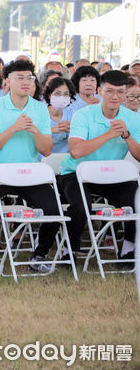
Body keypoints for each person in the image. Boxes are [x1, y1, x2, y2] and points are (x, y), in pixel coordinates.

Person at [0, 59, 58, 275]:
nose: (26, 82)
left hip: (29, 172)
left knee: (54, 211)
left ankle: (39, 255)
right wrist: (14, 128)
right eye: (20, 77)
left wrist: (35, 131)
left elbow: (46, 151)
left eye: (30, 77)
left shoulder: (39, 108)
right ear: (7, 82)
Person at [58, 70, 140, 261]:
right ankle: (69, 251)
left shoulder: (133, 118)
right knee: (80, 205)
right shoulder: (83, 115)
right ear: (99, 91)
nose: (115, 96)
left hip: (112, 174)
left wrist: (126, 136)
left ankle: (128, 249)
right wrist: (109, 134)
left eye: (120, 92)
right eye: (110, 91)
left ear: (126, 92)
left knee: (135, 201)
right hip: (76, 172)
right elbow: (76, 151)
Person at [44, 77, 75, 154]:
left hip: (65, 159)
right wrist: (52, 130)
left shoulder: (72, 114)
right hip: (43, 158)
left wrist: (73, 129)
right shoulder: (40, 113)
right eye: (58, 93)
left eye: (66, 94)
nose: (62, 97)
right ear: (49, 95)